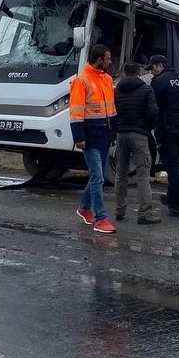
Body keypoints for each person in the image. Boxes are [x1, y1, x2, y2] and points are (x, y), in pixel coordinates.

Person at [71, 44, 117, 234]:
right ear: (99, 60)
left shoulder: (107, 79)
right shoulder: (81, 81)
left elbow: (111, 110)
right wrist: (79, 138)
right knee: (98, 177)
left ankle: (84, 208)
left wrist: (112, 135)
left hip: (104, 137)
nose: (110, 61)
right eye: (108, 59)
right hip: (89, 138)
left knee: (98, 176)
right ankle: (100, 218)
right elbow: (75, 112)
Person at [113, 63, 160, 225]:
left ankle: (119, 210)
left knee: (120, 174)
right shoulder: (146, 90)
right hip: (139, 134)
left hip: (121, 134)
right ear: (139, 73)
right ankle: (145, 213)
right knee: (142, 175)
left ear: (125, 73)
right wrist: (148, 127)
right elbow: (153, 112)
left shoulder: (117, 90)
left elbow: (113, 111)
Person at [149, 54, 179, 218]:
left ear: (160, 65)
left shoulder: (159, 82)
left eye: (152, 68)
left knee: (172, 167)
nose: (152, 72)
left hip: (167, 128)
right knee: (176, 164)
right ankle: (172, 197)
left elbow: (152, 106)